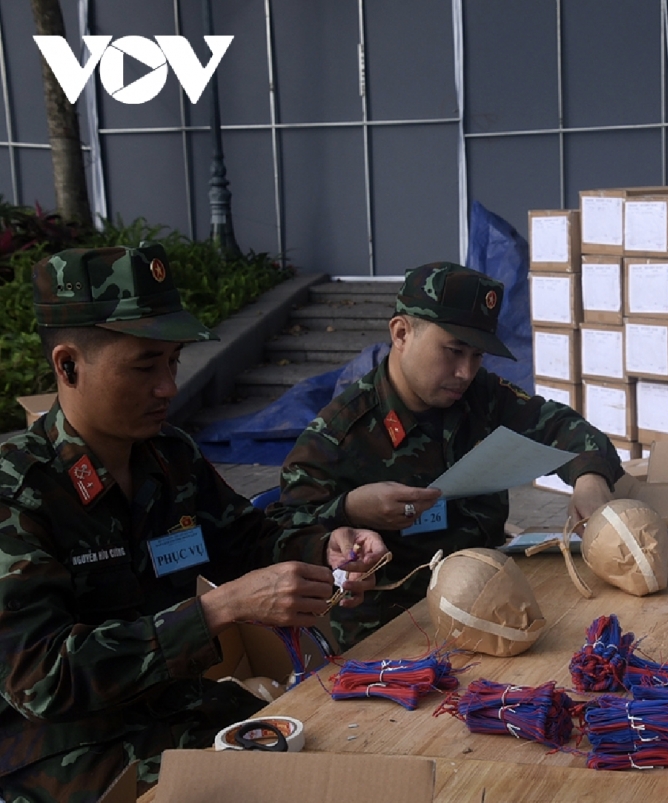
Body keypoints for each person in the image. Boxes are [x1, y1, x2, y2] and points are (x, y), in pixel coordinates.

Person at [0, 245, 386, 801]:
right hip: (60, 749)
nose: (168, 387)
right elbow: (41, 680)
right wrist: (219, 609)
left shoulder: (168, 457)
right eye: (144, 366)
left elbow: (248, 541)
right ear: (67, 365)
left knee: (339, 756)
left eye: (173, 361)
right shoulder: (18, 489)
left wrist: (326, 547)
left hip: (173, 709)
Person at [272, 262, 624, 645]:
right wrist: (350, 510)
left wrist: (589, 480)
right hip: (391, 626)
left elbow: (565, 428)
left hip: (490, 598)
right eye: (454, 351)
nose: (465, 372)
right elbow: (279, 533)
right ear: (402, 333)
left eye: (477, 356)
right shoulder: (340, 432)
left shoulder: (482, 397)